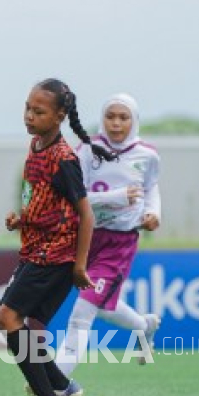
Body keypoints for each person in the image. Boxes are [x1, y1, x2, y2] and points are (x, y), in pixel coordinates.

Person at [0, 77, 115, 396]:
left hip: (56, 255)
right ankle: (61, 385)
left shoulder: (64, 158)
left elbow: (85, 213)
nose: (29, 116)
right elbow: (46, 202)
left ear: (60, 115)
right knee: (22, 322)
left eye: (39, 111)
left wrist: (79, 266)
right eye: (28, 108)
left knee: (7, 319)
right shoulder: (36, 146)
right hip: (35, 250)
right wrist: (23, 219)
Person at [52, 92, 162, 377]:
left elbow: (151, 188)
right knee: (101, 308)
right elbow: (73, 194)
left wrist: (153, 213)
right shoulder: (87, 150)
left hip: (120, 243)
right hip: (86, 238)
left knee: (81, 314)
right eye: (110, 116)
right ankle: (143, 326)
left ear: (134, 120)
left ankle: (55, 387)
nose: (116, 123)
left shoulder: (147, 155)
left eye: (123, 117)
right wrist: (116, 197)